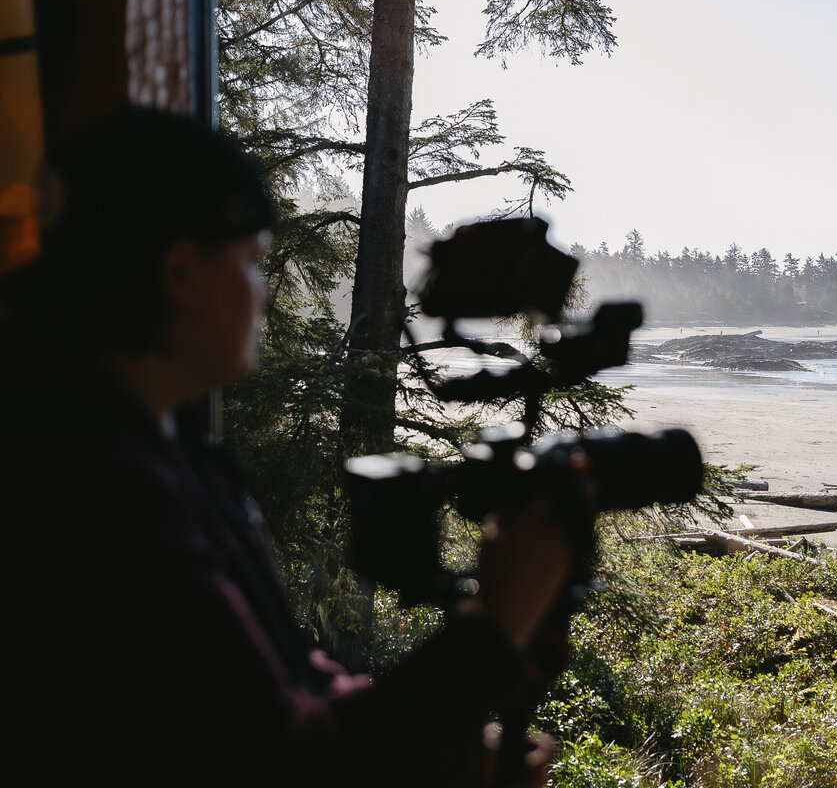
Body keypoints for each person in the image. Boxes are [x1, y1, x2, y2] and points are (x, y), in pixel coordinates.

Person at [0, 106, 573, 786]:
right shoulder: (89, 495)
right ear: (180, 272)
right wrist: (491, 632)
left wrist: (440, 743)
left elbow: (275, 682)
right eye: (250, 263)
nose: (265, 295)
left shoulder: (151, 439)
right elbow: (285, 764)